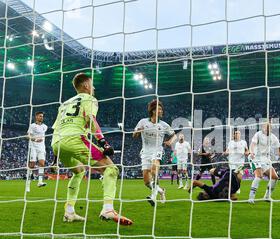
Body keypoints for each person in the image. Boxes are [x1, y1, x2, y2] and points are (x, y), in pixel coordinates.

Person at [51, 73, 132, 225]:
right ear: (86, 85)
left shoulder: (64, 103)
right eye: (92, 84)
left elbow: (57, 127)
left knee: (79, 171)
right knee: (112, 169)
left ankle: (69, 212)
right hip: (75, 139)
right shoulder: (90, 99)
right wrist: (103, 143)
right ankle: (108, 209)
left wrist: (55, 159)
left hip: (57, 143)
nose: (93, 87)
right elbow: (91, 119)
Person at [133, 99, 176, 206]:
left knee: (154, 168)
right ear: (153, 111)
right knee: (146, 182)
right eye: (159, 109)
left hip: (157, 150)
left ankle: (153, 196)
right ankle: (161, 191)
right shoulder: (143, 122)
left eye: (162, 109)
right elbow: (134, 136)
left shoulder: (164, 125)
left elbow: (174, 134)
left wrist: (170, 141)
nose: (161, 111)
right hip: (145, 151)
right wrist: (138, 131)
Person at [248, 122, 280, 204]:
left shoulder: (273, 137)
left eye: (270, 127)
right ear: (263, 127)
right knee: (259, 176)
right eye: (266, 127)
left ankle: (267, 196)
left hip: (265, 158)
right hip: (255, 157)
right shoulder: (258, 134)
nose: (268, 128)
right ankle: (251, 198)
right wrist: (251, 152)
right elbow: (252, 144)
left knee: (274, 177)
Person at [26, 111, 48, 191]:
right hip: (33, 147)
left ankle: (40, 182)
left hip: (42, 147)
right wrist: (35, 139)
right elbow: (28, 136)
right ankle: (28, 184)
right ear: (36, 117)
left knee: (42, 163)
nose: (41, 117)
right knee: (32, 165)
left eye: (42, 116)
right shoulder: (32, 126)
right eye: (40, 116)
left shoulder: (45, 126)